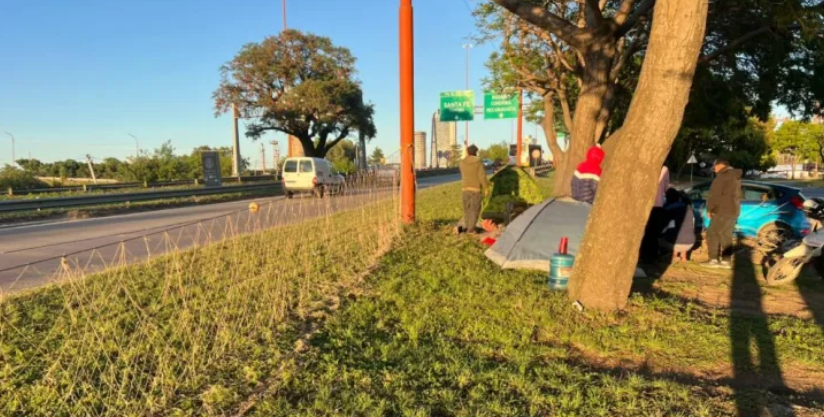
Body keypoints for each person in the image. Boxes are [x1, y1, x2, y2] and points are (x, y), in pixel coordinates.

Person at [703, 158, 742, 268]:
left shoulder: (722, 177)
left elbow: (714, 195)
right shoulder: (735, 176)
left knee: (712, 233)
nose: (714, 170)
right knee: (726, 235)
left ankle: (713, 260)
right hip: (734, 210)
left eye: (714, 167)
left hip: (722, 210)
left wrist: (709, 209)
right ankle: (726, 261)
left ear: (720, 165)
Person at [455, 145, 491, 234]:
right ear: (475, 152)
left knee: (467, 210)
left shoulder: (461, 162)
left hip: (465, 189)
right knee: (475, 210)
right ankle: (470, 230)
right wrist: (486, 188)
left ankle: (467, 227)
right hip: (476, 189)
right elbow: (482, 176)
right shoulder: (478, 162)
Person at [640, 166, 671, 263]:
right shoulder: (665, 169)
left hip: (644, 206)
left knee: (644, 232)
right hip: (658, 206)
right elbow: (666, 188)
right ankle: (651, 256)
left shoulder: (644, 166)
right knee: (653, 233)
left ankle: (643, 255)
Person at [661, 188, 696, 262]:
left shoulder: (668, 210)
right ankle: (684, 256)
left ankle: (674, 255)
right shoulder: (689, 209)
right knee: (683, 231)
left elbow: (662, 228)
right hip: (690, 243)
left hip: (674, 243)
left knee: (659, 238)